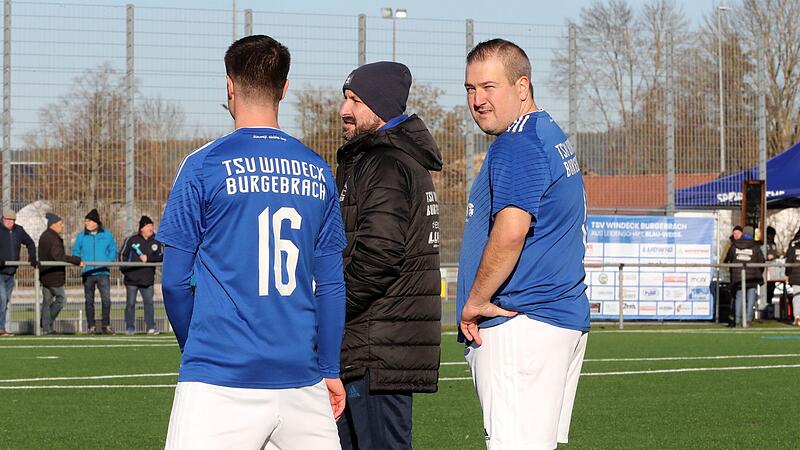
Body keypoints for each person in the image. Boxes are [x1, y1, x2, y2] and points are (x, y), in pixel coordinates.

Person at [159, 35, 346, 450]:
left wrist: (200, 351)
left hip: (220, 378)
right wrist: (329, 367)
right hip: (302, 379)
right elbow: (331, 285)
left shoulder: (203, 165)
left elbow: (173, 282)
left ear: (229, 86)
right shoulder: (318, 170)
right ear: (284, 87)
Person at [457, 39, 590, 449]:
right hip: (551, 320)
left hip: (521, 323)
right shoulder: (548, 131)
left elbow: (511, 230)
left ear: (522, 86)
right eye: (470, 89)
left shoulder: (517, 142)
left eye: (488, 87)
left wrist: (477, 299)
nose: (478, 100)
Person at [335, 61, 443, 449]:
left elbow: (378, 256)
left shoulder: (384, 163)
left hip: (376, 349)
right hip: (374, 346)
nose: (344, 110)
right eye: (345, 98)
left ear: (380, 106)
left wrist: (330, 307)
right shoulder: (382, 158)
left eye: (355, 100)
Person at [72, 208, 117, 334]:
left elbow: (113, 250)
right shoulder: (81, 236)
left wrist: (107, 261)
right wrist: (79, 261)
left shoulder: (107, 235)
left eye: (89, 221)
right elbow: (75, 251)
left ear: (96, 222)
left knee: (106, 300)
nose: (87, 223)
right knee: (89, 301)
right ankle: (91, 326)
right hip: (88, 273)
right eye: (86, 221)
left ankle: (106, 325)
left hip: (103, 272)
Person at [38, 213, 83, 334]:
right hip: (53, 275)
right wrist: (76, 260)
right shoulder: (52, 238)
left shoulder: (45, 235)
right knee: (61, 299)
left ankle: (47, 329)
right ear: (53, 225)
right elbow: (58, 256)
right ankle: (45, 323)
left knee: (47, 301)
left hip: (46, 274)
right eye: (60, 224)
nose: (62, 226)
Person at [119, 216, 163, 335]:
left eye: (152, 225)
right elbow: (122, 255)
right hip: (131, 279)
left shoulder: (156, 241)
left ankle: (150, 327)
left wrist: (149, 258)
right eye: (148, 226)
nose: (151, 228)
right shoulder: (131, 240)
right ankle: (129, 327)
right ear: (142, 228)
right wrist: (125, 270)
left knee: (149, 304)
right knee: (131, 304)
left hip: (148, 279)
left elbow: (161, 256)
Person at [0, 209, 37, 336]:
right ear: (3, 219)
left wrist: (32, 257)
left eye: (13, 220)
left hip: (11, 272)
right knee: (2, 299)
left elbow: (30, 243)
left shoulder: (18, 230)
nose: (11, 223)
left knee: (5, 301)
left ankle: (1, 328)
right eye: (8, 220)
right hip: (0, 272)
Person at [723, 225, 765, 326]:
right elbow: (762, 261)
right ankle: (748, 320)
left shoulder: (734, 245)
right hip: (752, 277)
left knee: (739, 297)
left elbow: (728, 258)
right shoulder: (756, 246)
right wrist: (758, 272)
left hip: (738, 277)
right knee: (751, 298)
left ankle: (737, 320)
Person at [785, 227, 800, 326]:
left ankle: (797, 316)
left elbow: (789, 259)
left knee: (796, 296)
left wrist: (787, 273)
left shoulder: (793, 242)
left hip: (795, 272)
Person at [764, 226, 780, 306]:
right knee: (766, 287)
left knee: (772, 287)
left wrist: (777, 257)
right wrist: (767, 257)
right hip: (766, 269)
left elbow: (775, 253)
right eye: (771, 235)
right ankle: (765, 303)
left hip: (773, 268)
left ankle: (769, 302)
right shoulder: (764, 243)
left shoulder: (774, 244)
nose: (772, 236)